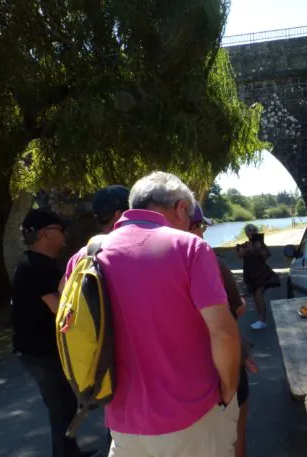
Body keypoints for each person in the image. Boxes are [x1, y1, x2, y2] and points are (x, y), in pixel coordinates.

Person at [64, 171, 241, 457]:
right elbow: (223, 331)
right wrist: (228, 389)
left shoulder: (86, 256)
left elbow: (69, 322)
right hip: (192, 417)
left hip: (122, 423)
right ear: (181, 207)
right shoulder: (189, 247)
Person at [11, 209, 99, 457]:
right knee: (61, 406)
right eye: (60, 230)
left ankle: (69, 451)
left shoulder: (40, 264)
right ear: (44, 234)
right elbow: (61, 309)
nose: (65, 235)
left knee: (67, 404)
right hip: (39, 352)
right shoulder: (35, 267)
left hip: (40, 349)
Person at [189, 205, 258, 457]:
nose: (204, 233)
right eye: (201, 227)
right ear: (192, 227)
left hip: (182, 375)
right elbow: (237, 308)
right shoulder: (209, 260)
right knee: (235, 434)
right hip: (221, 364)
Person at [236, 224, 279, 330]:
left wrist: (258, 248)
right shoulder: (243, 245)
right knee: (255, 298)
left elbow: (266, 257)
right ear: (246, 233)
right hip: (250, 275)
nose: (252, 232)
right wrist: (249, 248)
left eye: (254, 230)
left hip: (262, 274)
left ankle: (263, 321)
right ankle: (261, 319)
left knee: (259, 296)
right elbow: (239, 255)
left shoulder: (261, 245)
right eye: (249, 230)